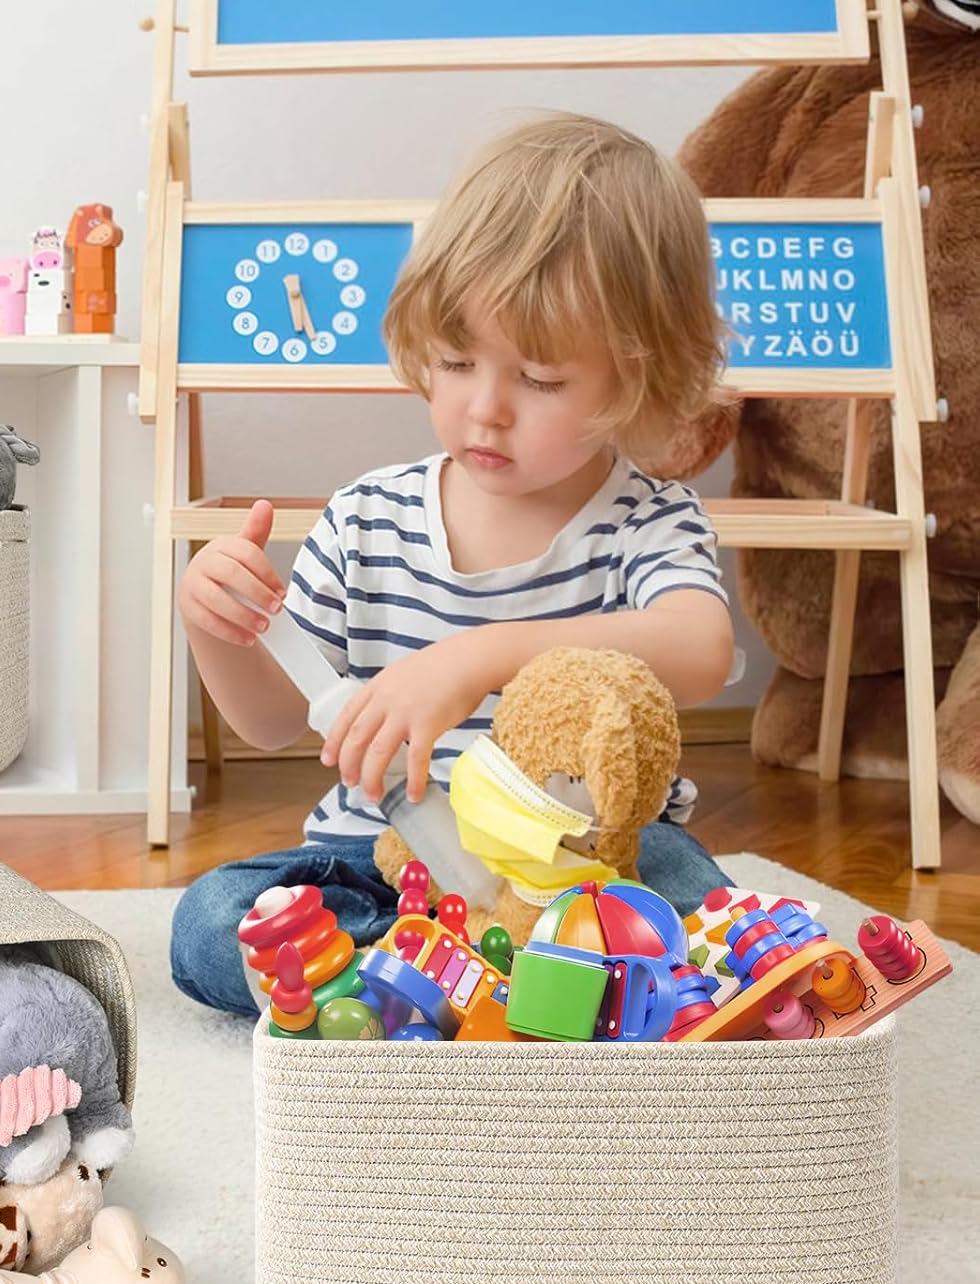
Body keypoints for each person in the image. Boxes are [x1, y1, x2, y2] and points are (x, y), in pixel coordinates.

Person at [172, 112, 736, 1018]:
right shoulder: (369, 518)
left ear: (642, 373)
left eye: (540, 379)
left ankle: (435, 992)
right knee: (211, 922)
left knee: (697, 900)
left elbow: (700, 650)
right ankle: (492, 985)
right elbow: (270, 721)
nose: (485, 410)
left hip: (584, 873)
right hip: (382, 859)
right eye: (456, 360)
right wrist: (216, 628)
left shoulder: (646, 521)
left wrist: (478, 657)